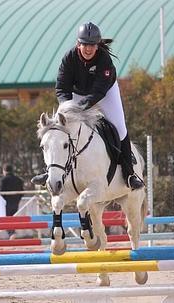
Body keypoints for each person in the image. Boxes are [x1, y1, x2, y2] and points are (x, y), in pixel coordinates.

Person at [31, 22, 144, 190]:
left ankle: (129, 174)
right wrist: (67, 107)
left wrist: (81, 108)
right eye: (85, 44)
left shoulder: (104, 60)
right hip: (77, 94)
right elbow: (62, 88)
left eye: (92, 45)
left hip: (105, 92)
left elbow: (99, 91)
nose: (88, 49)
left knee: (120, 127)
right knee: (58, 129)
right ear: (78, 44)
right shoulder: (69, 58)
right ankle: (49, 173)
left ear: (97, 46)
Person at [0, 164, 24, 240]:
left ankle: (11, 233)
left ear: (4, 171)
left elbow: (1, 192)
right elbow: (22, 192)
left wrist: (6, 199)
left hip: (7, 202)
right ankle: (12, 232)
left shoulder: (4, 180)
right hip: (16, 201)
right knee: (13, 218)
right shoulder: (19, 179)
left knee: (8, 219)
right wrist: (17, 199)